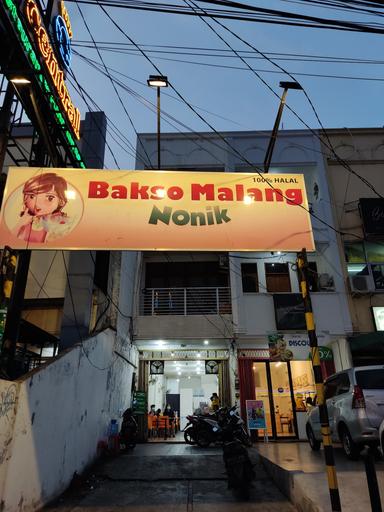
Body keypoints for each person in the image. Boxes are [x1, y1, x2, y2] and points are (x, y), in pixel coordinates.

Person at [11, 172, 74, 243]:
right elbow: (8, 241)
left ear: (61, 201)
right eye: (32, 196)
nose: (38, 204)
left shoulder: (61, 224)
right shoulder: (26, 222)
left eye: (50, 198)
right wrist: (20, 223)